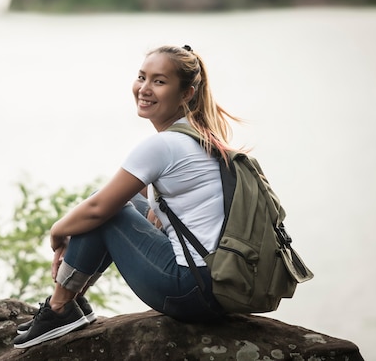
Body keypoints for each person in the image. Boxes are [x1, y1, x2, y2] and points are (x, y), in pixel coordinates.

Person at [13, 44, 241, 349]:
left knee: (107, 210)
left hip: (191, 291)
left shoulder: (165, 146)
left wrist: (58, 232)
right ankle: (71, 303)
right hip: (219, 287)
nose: (144, 89)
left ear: (187, 93)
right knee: (128, 202)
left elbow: (97, 209)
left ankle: (60, 307)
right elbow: (145, 202)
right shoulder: (201, 138)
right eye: (141, 77)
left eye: (159, 82)